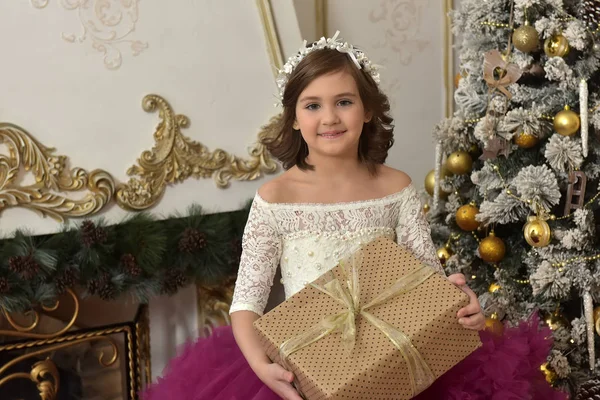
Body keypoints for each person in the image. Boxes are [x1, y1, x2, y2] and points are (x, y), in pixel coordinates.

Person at [142, 32, 566, 400]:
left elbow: (428, 283)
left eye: (343, 102)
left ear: (367, 110)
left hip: (395, 359)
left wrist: (463, 305)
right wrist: (261, 366)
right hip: (312, 368)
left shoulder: (395, 187)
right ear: (292, 118)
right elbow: (246, 304)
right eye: (312, 106)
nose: (329, 117)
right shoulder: (276, 198)